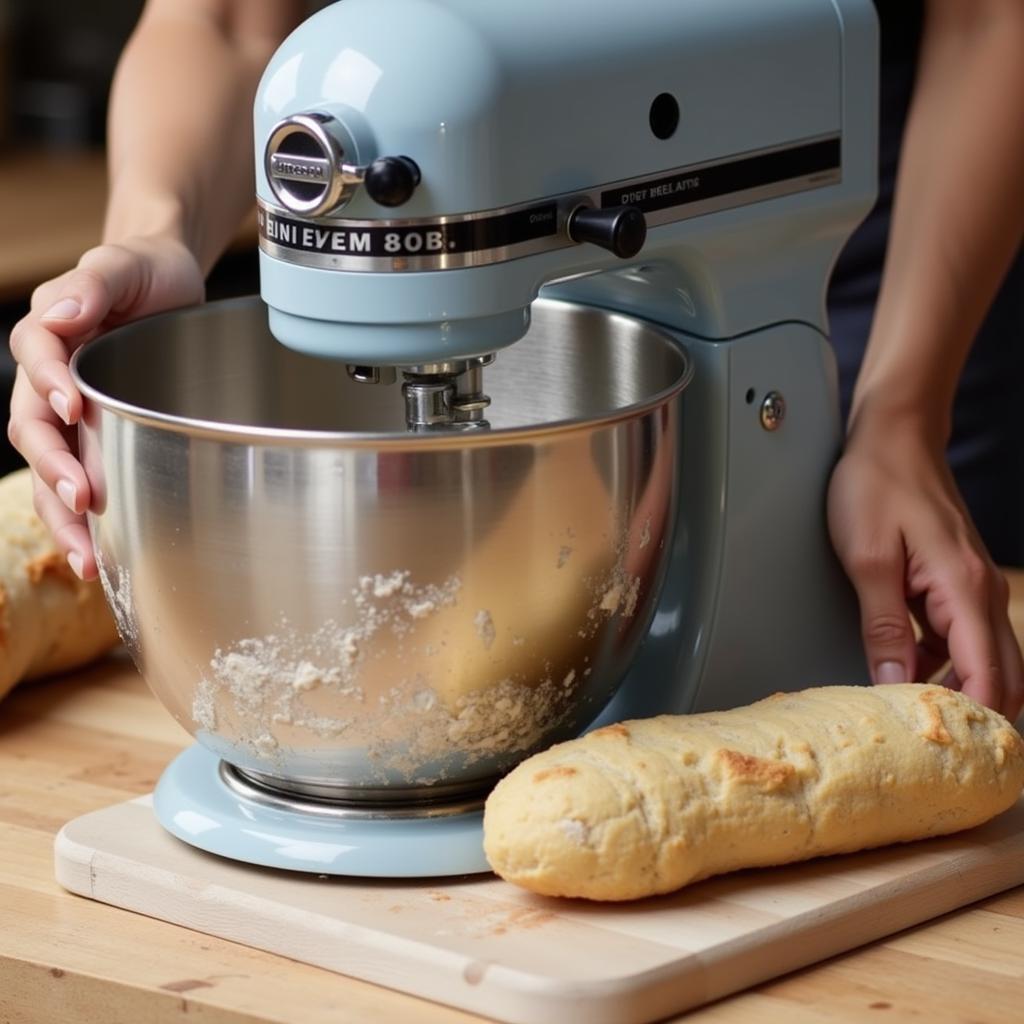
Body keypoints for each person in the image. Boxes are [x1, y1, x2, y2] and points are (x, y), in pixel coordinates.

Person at [7, 0, 1024, 718]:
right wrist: (155, 232)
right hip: (503, 212)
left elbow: (989, 20)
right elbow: (225, 21)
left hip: (848, 244)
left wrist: (899, 411)